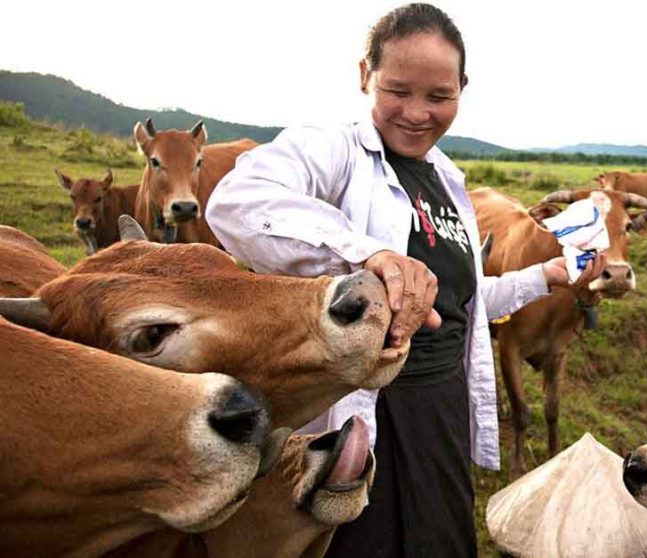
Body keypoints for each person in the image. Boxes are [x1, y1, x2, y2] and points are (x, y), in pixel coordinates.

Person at [205, 4, 606, 557]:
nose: (417, 113)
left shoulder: (448, 181)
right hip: (368, 405)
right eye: (397, 90)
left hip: (441, 406)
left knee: (443, 540)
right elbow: (236, 203)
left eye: (439, 97)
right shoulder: (334, 149)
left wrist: (544, 276)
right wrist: (372, 254)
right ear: (364, 74)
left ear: (463, 89)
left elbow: (460, 303)